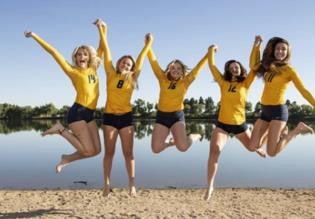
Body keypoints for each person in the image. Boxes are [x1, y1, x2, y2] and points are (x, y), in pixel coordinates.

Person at [24, 29, 103, 173]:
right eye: (79, 54)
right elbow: (53, 52)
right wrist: (35, 36)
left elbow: (102, 47)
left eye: (85, 54)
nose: (82, 56)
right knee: (88, 150)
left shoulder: (93, 69)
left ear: (89, 56)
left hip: (90, 114)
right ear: (75, 57)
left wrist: (101, 28)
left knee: (96, 150)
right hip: (78, 113)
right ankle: (60, 129)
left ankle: (66, 159)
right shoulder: (72, 71)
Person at [248, 36, 315, 157]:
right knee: (252, 146)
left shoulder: (289, 70)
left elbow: (303, 90)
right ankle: (278, 130)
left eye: (283, 49)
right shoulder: (268, 66)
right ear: (273, 50)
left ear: (287, 53)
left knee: (271, 152)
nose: (280, 51)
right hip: (265, 110)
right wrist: (256, 45)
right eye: (277, 49)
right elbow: (253, 65)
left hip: (278, 112)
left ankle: (297, 130)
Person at [94, 19, 152, 197]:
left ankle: (132, 185)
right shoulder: (111, 73)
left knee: (128, 153)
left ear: (132, 68)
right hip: (110, 118)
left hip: (126, 118)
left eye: (129, 64)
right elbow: (107, 51)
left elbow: (141, 58)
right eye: (123, 63)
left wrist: (148, 44)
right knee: (109, 153)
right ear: (119, 63)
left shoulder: (133, 78)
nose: (125, 65)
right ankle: (106, 184)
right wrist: (102, 30)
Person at [204, 36, 266, 201]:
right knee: (214, 151)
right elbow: (211, 65)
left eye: (237, 66)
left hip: (240, 126)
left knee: (253, 148)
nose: (234, 69)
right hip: (222, 125)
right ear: (228, 70)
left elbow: (254, 67)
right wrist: (211, 50)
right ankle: (210, 186)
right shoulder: (223, 83)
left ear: (240, 69)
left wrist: (256, 46)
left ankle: (260, 145)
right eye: (231, 67)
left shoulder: (245, 83)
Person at [147, 35, 207, 153]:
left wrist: (208, 55)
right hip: (162, 116)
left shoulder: (185, 82)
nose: (176, 70)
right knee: (156, 149)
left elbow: (197, 69)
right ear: (169, 69)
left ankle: (193, 136)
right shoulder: (162, 79)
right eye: (173, 68)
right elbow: (153, 62)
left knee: (183, 147)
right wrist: (148, 45)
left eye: (179, 68)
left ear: (182, 71)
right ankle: (170, 143)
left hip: (176, 116)